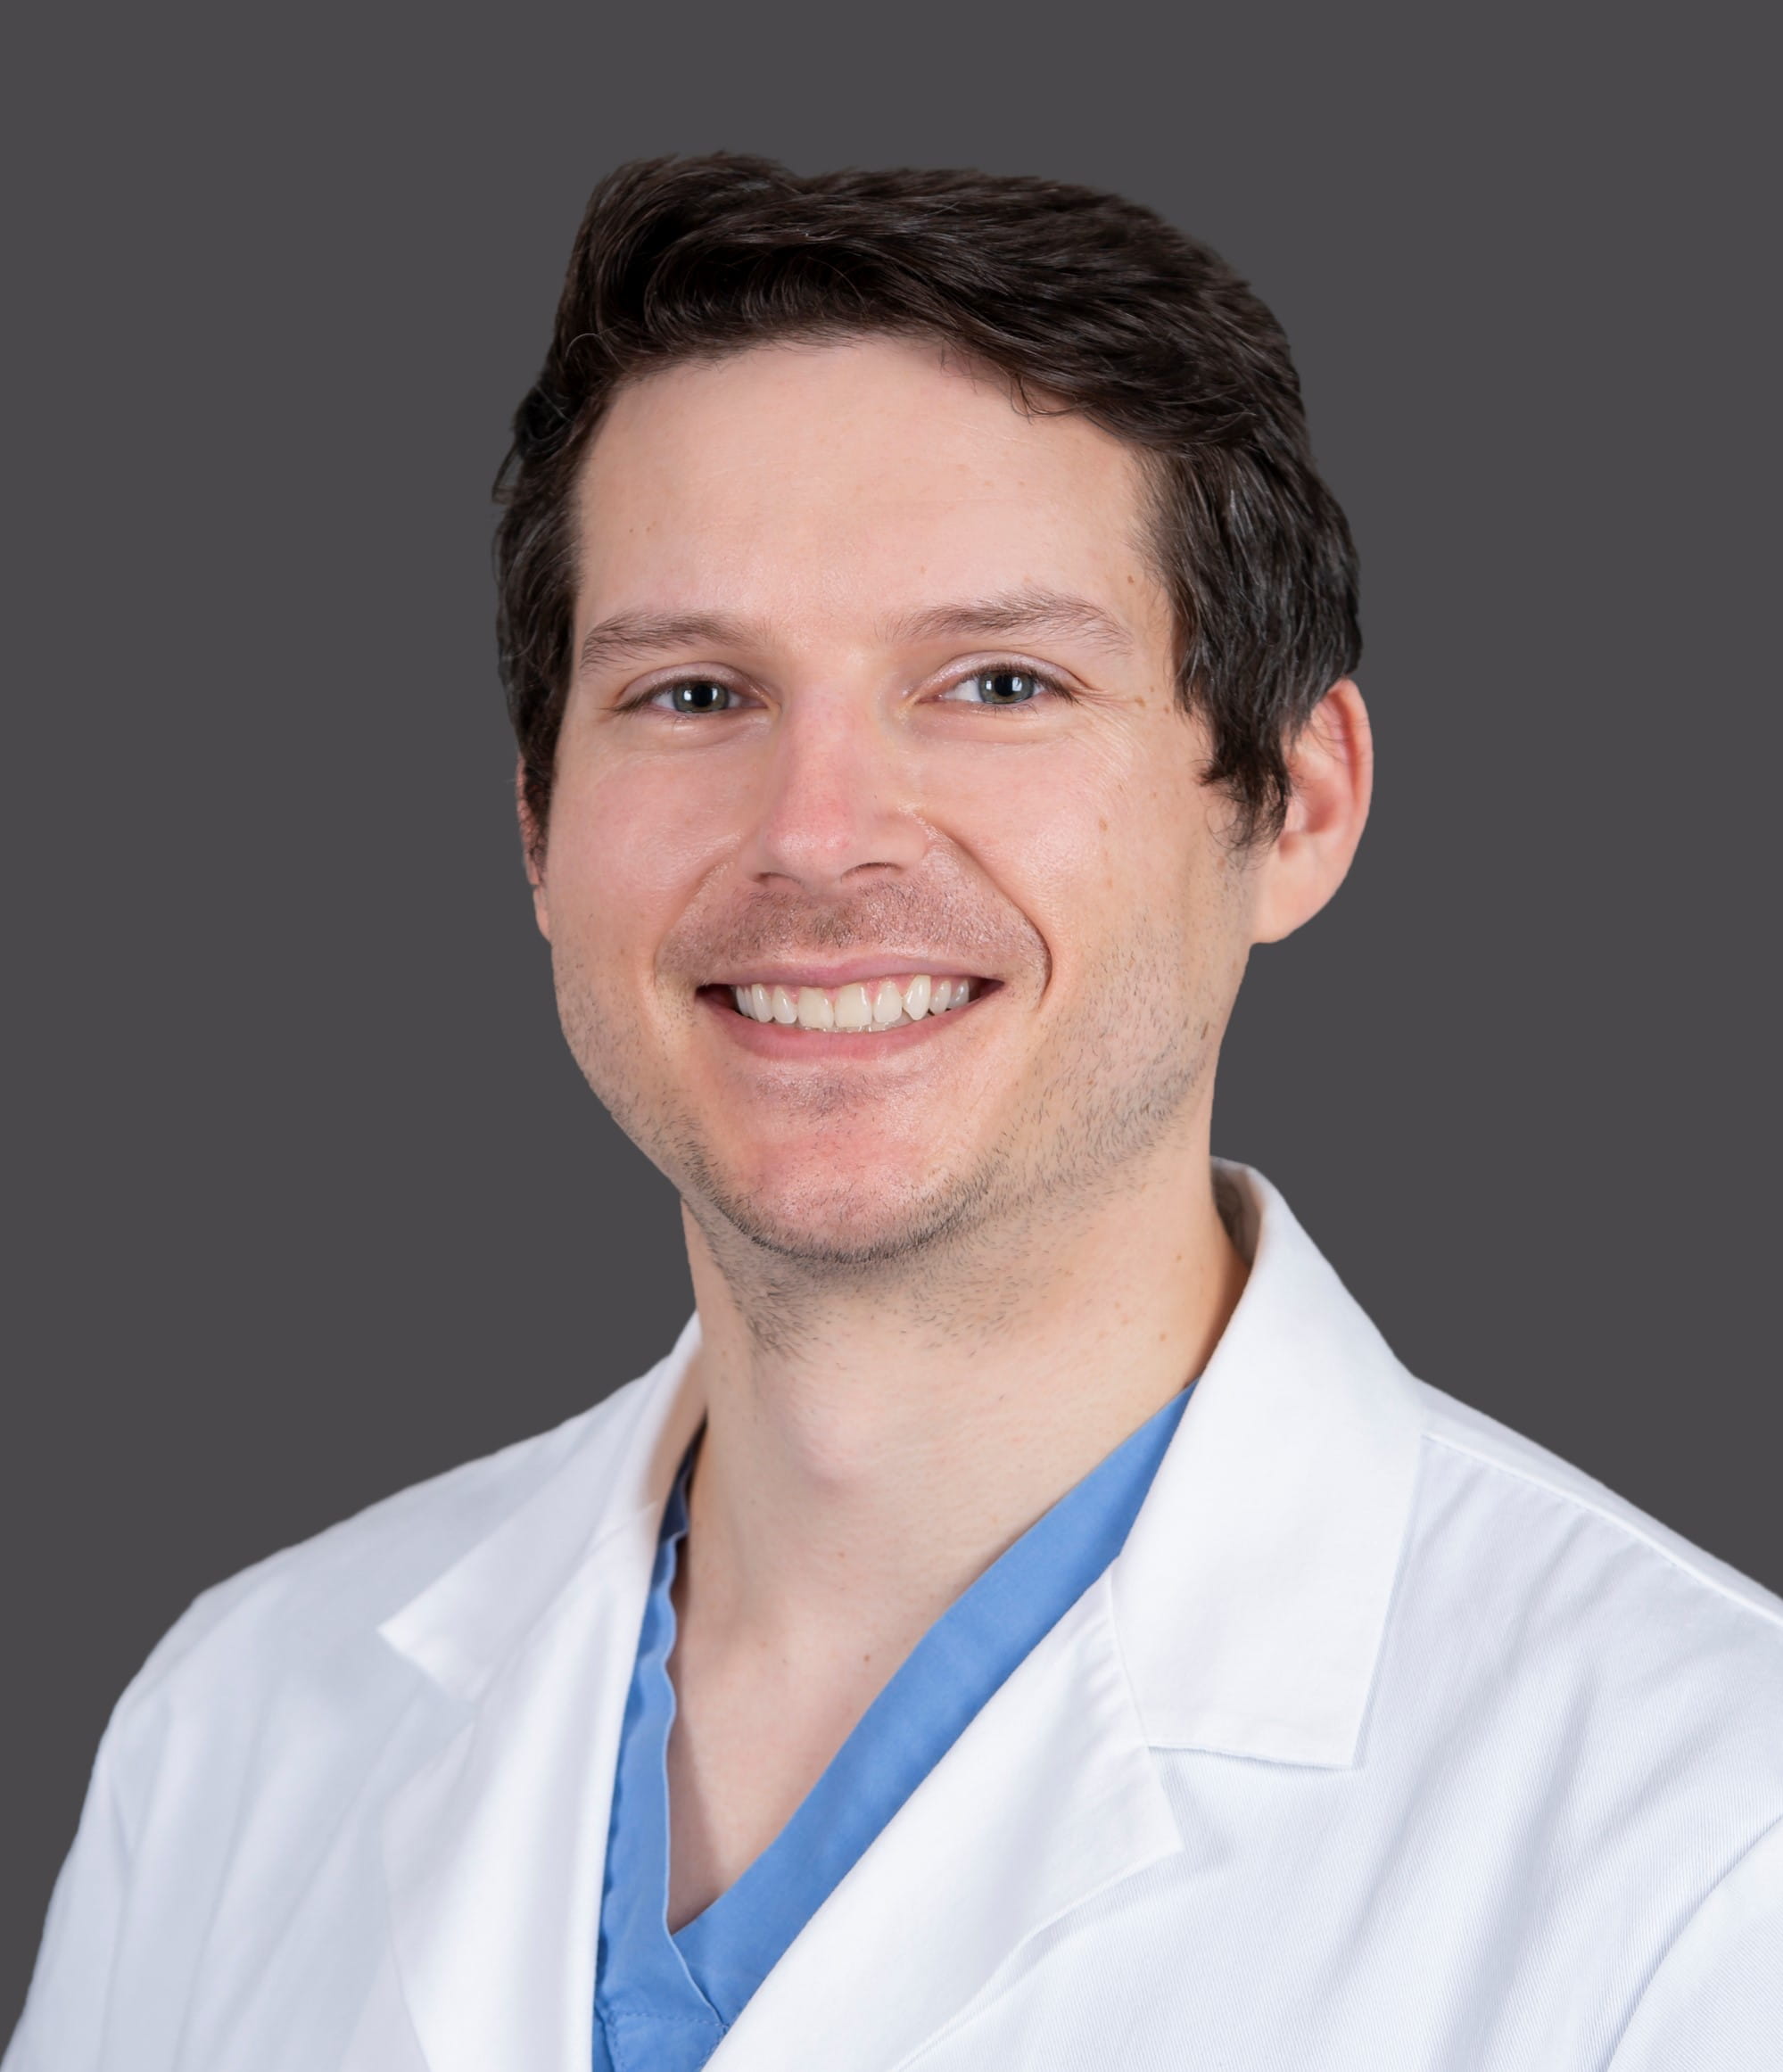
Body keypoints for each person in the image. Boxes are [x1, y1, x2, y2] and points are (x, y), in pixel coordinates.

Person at [7, 153, 1779, 2072]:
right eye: (694, 695)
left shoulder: (1704, 1843)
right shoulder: (239, 1735)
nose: (816, 835)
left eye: (998, 682)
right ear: (536, 827)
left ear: (1295, 802)